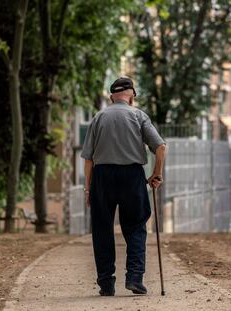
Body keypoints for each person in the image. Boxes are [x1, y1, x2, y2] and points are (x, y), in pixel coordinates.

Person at [81, 77, 166, 296]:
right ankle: (135, 278)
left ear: (112, 97)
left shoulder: (99, 117)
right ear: (131, 96)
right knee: (136, 226)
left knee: (102, 229)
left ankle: (106, 284)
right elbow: (161, 148)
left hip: (102, 176)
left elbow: (88, 159)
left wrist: (88, 189)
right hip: (132, 175)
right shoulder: (138, 116)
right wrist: (156, 174)